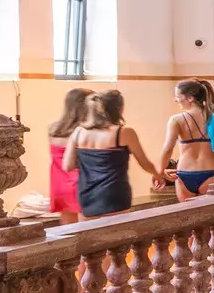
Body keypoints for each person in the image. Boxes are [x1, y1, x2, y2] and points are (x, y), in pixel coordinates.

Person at [63, 89, 166, 217]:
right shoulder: (124, 133)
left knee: (88, 236)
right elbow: (144, 162)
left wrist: (90, 162)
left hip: (87, 194)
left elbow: (67, 166)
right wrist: (156, 174)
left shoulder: (78, 132)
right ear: (118, 109)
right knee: (116, 235)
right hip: (114, 194)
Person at [158, 79, 214, 200]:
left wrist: (160, 171)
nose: (175, 100)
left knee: (188, 217)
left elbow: (167, 149)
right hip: (213, 173)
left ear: (190, 98)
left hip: (184, 175)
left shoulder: (177, 120)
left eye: (178, 96)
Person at [46, 86, 91, 224]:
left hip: (59, 184)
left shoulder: (53, 127)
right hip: (80, 183)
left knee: (67, 232)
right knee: (88, 232)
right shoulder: (84, 131)